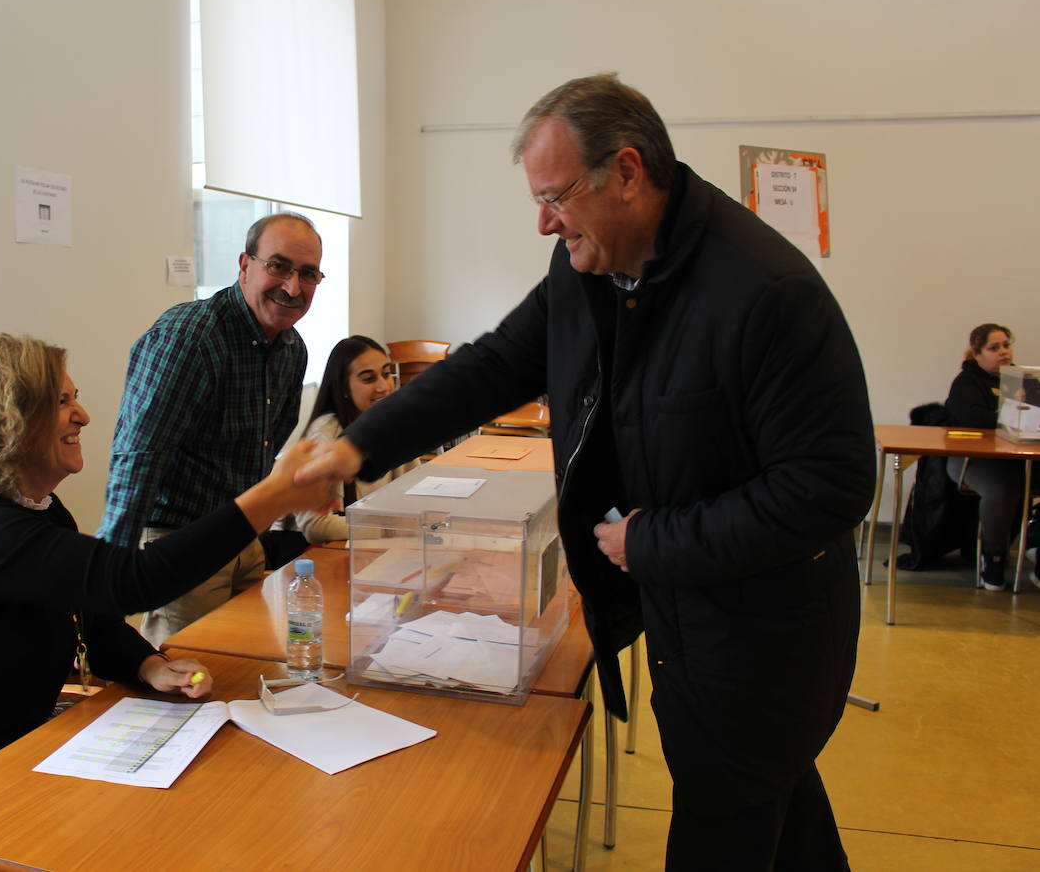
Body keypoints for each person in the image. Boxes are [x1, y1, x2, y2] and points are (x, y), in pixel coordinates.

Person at [296, 74, 875, 870]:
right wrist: (361, 448)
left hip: (760, 642)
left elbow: (830, 484)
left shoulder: (763, 292)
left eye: (556, 196)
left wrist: (654, 544)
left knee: (729, 816)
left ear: (628, 174)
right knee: (782, 810)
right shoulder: (589, 268)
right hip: (686, 618)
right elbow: (497, 363)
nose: (543, 222)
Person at [0, 334, 331, 872]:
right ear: (11, 418)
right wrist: (269, 494)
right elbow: (133, 581)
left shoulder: (34, 510)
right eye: (61, 402)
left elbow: (90, 611)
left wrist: (147, 664)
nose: (82, 415)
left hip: (12, 749)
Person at [99, 212, 323, 645]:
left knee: (246, 668)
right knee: (188, 687)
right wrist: (108, 584)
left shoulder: (292, 349)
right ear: (245, 265)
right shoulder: (191, 337)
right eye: (278, 267)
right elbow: (137, 457)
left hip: (244, 539)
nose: (293, 287)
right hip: (181, 544)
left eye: (308, 274)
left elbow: (270, 441)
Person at [288, 336, 416, 543]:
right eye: (368, 379)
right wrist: (389, 530)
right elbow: (315, 526)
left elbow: (416, 486)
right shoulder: (325, 434)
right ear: (344, 388)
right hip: (325, 555)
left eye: (386, 373)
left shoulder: (391, 421)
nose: (383, 386)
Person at [944, 323, 1030, 590]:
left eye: (1006, 345)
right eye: (994, 347)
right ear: (977, 354)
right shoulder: (966, 382)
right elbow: (975, 419)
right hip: (972, 460)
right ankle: (993, 556)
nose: (1003, 351)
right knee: (1002, 488)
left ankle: (1036, 545)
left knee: (1018, 480)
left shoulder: (1022, 381)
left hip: (1018, 458)